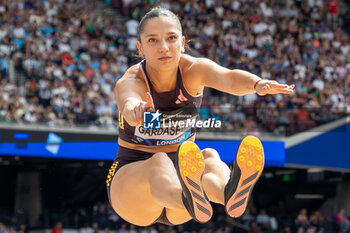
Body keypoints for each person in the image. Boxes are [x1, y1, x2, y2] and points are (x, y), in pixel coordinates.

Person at [106, 7, 295, 226]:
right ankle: (189, 197)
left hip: (182, 184)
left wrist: (257, 84)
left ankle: (228, 193)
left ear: (182, 42)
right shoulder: (132, 80)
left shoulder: (194, 70)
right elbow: (128, 101)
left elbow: (229, 78)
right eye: (152, 40)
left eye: (171, 38)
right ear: (140, 47)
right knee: (158, 160)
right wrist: (135, 109)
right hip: (132, 189)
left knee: (209, 157)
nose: (164, 47)